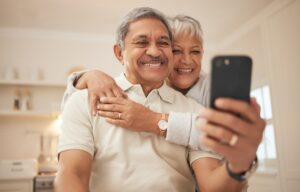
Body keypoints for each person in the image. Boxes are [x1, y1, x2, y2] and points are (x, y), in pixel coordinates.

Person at [59, 11, 265, 191]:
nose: (155, 51)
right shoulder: (85, 99)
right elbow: (72, 174)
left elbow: (212, 186)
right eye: (141, 42)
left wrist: (240, 162)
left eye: (164, 43)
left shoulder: (195, 108)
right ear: (119, 52)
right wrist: (87, 75)